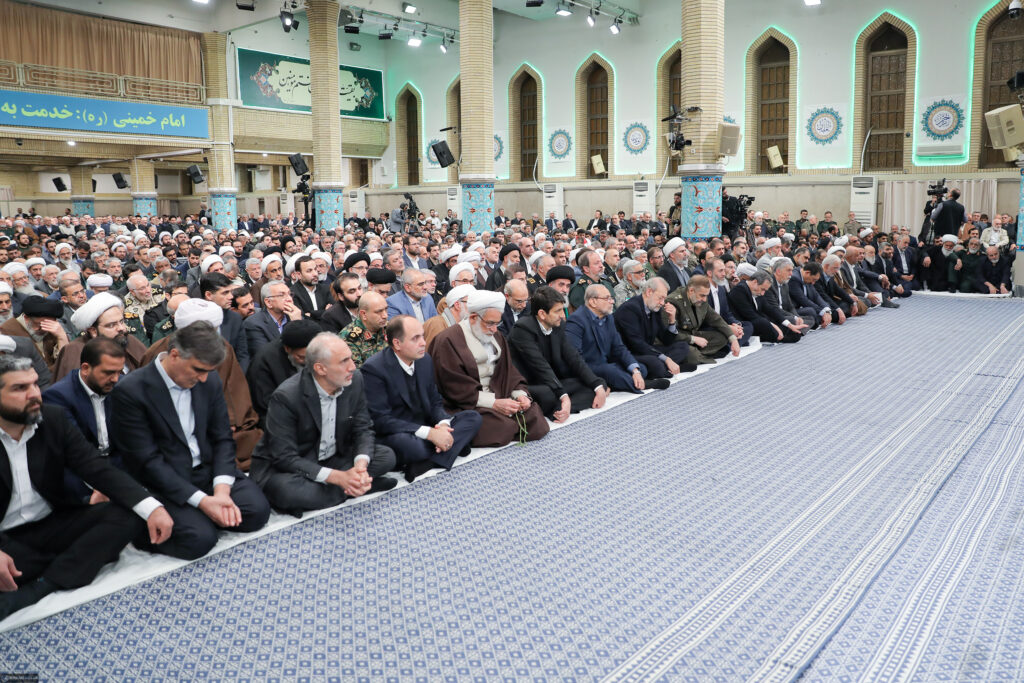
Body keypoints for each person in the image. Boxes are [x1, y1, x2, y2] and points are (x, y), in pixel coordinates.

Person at [0, 355, 173, 621]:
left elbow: (96, 468)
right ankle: (66, 563)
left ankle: (44, 584)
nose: (34, 394)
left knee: (127, 514)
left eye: (34, 384)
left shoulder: (52, 419)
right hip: (5, 537)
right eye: (20, 388)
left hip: (52, 523)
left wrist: (152, 508)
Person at [110, 322, 270, 560]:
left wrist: (222, 492)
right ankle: (149, 523)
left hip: (206, 471)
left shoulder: (209, 380)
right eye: (198, 370)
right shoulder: (131, 391)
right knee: (200, 539)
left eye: (208, 371)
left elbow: (222, 438)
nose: (203, 378)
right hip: (163, 481)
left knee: (256, 512)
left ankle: (200, 515)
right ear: (175, 355)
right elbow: (147, 461)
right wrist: (203, 502)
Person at [251, 334, 397, 516]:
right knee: (284, 491)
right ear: (320, 369)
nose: (352, 366)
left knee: (386, 456)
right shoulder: (286, 397)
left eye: (351, 358)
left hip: (334, 456)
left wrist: (360, 467)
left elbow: (363, 427)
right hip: (296, 464)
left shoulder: (354, 380)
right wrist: (339, 478)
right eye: (344, 361)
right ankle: (352, 489)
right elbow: (284, 457)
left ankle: (334, 491)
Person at [362, 316, 482, 482]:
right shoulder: (374, 369)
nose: (423, 343)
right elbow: (381, 420)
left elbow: (435, 401)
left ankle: (427, 462)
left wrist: (443, 425)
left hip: (426, 425)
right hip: (400, 432)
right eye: (415, 338)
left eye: (423, 336)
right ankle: (450, 448)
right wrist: (429, 434)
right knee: (412, 446)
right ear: (397, 343)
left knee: (473, 418)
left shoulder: (424, 360)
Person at [428, 289, 549, 447]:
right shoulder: (448, 340)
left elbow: (509, 372)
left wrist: (519, 395)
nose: (494, 329)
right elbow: (454, 387)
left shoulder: (495, 335)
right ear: (473, 317)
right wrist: (494, 403)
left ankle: (509, 422)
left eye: (497, 323)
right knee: (501, 425)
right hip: (469, 403)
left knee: (535, 416)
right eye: (490, 323)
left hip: (499, 393)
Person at [42, 337, 126, 502]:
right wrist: (102, 486)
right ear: (86, 368)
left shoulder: (122, 387)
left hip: (117, 464)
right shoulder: (59, 396)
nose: (115, 379)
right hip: (80, 471)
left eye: (119, 372)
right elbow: (73, 453)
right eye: (109, 372)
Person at [508, 286, 609, 422]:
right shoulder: (522, 329)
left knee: (597, 384)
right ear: (542, 314)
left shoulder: (558, 325)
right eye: (558, 311)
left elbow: (573, 357)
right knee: (547, 395)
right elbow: (540, 366)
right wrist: (563, 396)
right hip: (528, 384)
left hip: (551, 381)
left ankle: (559, 408)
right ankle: (560, 406)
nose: (562, 315)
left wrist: (597, 386)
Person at [566, 284, 668, 394]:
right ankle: (645, 385)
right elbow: (576, 358)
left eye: (611, 298)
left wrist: (635, 371)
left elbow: (619, 347)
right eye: (607, 298)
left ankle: (620, 383)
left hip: (608, 363)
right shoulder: (576, 321)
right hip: (589, 367)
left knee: (641, 368)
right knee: (611, 372)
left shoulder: (608, 318)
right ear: (593, 302)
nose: (612, 302)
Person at [53, 292, 148, 383]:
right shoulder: (75, 350)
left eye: (122, 322)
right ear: (93, 331)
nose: (121, 328)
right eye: (112, 325)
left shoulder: (126, 338)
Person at [613, 277, 695, 379]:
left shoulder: (654, 308)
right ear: (649, 292)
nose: (662, 303)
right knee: (655, 362)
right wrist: (666, 359)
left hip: (647, 350)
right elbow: (637, 344)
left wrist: (672, 320)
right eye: (660, 298)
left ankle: (664, 368)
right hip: (630, 352)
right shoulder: (630, 309)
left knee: (683, 347)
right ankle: (666, 369)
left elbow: (666, 340)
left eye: (664, 299)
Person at [246, 320, 321, 424]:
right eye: (302, 357)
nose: (308, 361)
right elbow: (266, 406)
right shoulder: (264, 362)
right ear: (287, 349)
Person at [664, 275, 741, 364]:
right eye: (702, 295)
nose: (704, 299)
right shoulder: (673, 301)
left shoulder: (701, 299)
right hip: (680, 340)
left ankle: (697, 353)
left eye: (706, 296)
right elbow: (670, 333)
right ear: (691, 290)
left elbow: (716, 320)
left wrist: (733, 339)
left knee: (723, 337)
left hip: (695, 335)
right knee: (692, 355)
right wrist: (693, 339)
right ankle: (697, 354)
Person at [0, 297, 69, 376]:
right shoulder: (7, 332)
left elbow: (68, 363)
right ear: (26, 318)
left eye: (48, 324)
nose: (44, 328)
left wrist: (62, 337)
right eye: (39, 324)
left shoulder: (53, 330)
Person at [200, 272, 251, 371]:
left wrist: (238, 377)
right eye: (225, 293)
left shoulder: (235, 319)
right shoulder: (194, 319)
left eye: (231, 292)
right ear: (209, 295)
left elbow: (242, 355)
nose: (231, 296)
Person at [244, 280, 301, 357]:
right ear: (268, 302)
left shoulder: (296, 316)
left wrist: (298, 323)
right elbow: (265, 355)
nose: (289, 299)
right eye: (282, 295)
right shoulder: (253, 323)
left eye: (290, 294)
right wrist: (295, 325)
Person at [290, 255, 331, 321]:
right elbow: (302, 318)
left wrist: (311, 314)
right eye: (309, 271)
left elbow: (332, 313)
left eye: (315, 269)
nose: (315, 274)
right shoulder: (293, 293)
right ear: (299, 275)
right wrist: (324, 312)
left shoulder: (325, 289)